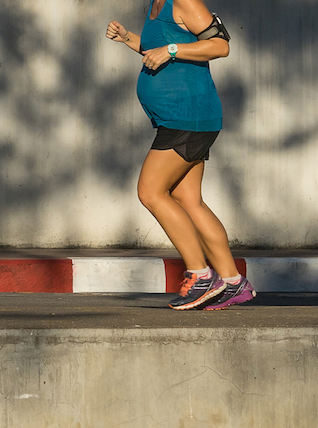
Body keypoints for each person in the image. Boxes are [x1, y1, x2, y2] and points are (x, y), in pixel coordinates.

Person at [106, 0, 256, 310]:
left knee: (150, 192)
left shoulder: (184, 2)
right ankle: (232, 282)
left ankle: (201, 275)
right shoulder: (155, 6)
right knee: (189, 200)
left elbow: (220, 45)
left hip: (188, 116)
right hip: (179, 118)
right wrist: (128, 38)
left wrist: (172, 50)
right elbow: (157, 51)